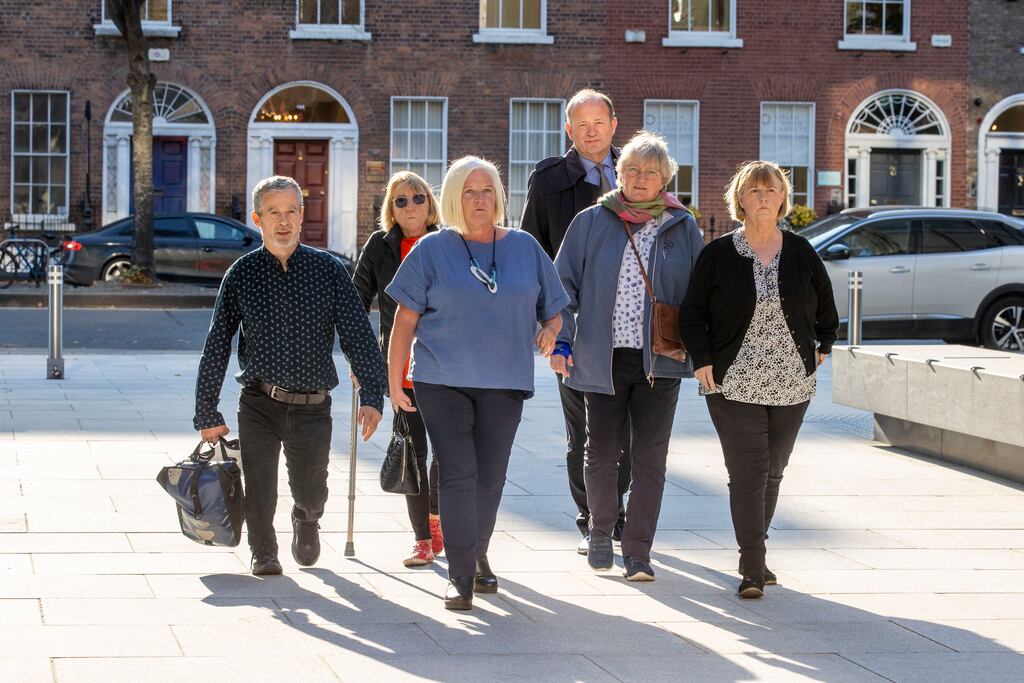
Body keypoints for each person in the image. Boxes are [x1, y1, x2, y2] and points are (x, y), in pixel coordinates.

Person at [386, 156, 569, 610]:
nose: (479, 198)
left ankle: (477, 551)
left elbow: (555, 309)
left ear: (499, 198)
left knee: (491, 478)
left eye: (487, 190)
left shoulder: (525, 247)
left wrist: (551, 331)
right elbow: (403, 322)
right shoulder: (431, 250)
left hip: (504, 381)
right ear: (452, 198)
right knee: (458, 473)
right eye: (469, 191)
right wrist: (393, 383)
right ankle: (461, 574)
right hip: (441, 381)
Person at [193, 175, 387, 576]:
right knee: (260, 488)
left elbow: (357, 333)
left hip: (313, 406)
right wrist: (206, 412)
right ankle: (263, 550)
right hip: (259, 401)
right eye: (273, 213)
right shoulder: (241, 274)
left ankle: (307, 517)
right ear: (257, 218)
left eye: (291, 212)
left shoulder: (328, 271)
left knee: (311, 488)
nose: (283, 221)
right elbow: (217, 343)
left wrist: (372, 392)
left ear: (302, 216)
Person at [679, 160, 839, 599]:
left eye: (771, 190)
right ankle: (753, 565)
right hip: (732, 381)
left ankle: (755, 553)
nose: (763, 197)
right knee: (748, 471)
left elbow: (825, 304)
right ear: (740, 200)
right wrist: (702, 359)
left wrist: (823, 345)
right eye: (754, 191)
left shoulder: (802, 251)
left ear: (783, 199)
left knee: (773, 471)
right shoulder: (718, 254)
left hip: (792, 380)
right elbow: (692, 316)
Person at [553, 130, 704, 581]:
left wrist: (705, 352)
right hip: (602, 356)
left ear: (664, 181)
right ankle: (601, 531)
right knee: (600, 452)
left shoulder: (682, 225)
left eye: (650, 173)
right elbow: (562, 288)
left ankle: (638, 550)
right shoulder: (591, 221)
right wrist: (562, 342)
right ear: (618, 174)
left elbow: (699, 296)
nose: (640, 179)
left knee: (650, 458)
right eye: (632, 170)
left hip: (660, 360)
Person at [520, 88, 630, 554]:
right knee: (582, 426)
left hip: (630, 323)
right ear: (569, 129)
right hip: (572, 323)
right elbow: (530, 249)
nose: (590, 131)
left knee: (627, 426)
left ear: (613, 125)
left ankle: (616, 509)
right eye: (580, 124)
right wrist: (545, 321)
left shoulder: (641, 171)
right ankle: (593, 516)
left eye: (598, 122)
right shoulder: (548, 181)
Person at [352, 171, 443, 568]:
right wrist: (363, 361)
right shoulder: (380, 246)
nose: (410, 206)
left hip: (447, 367)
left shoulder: (447, 242)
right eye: (400, 200)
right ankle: (422, 538)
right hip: (401, 368)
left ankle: (437, 518)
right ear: (390, 208)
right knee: (412, 452)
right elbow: (355, 304)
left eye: (417, 198)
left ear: (430, 203)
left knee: (447, 454)